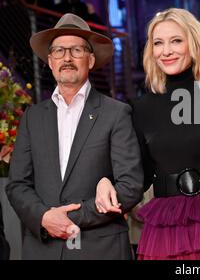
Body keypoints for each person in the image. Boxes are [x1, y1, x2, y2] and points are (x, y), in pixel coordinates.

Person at [95, 8, 200, 260]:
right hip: (166, 226)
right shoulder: (140, 108)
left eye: (176, 41)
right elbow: (137, 174)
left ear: (194, 44)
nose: (166, 51)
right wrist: (104, 179)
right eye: (158, 43)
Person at [6, 13, 144, 260]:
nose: (67, 58)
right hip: (43, 250)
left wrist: (68, 218)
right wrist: (44, 218)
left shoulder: (116, 113)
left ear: (90, 60)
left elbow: (130, 187)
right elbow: (17, 184)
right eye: (59, 51)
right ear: (50, 61)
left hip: (101, 250)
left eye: (76, 50)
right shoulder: (32, 117)